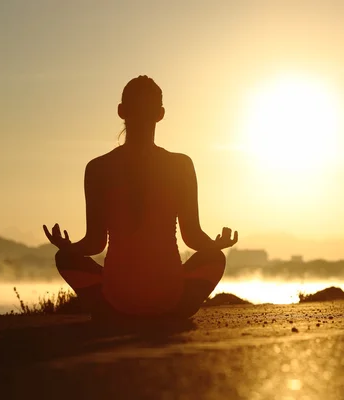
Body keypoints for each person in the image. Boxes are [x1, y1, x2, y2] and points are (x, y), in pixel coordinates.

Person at [43, 75, 238, 319]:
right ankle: (172, 312)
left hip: (118, 297)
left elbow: (95, 244)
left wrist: (67, 248)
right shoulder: (180, 165)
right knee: (214, 259)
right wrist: (215, 245)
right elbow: (193, 238)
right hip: (170, 295)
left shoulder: (98, 168)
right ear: (160, 113)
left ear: (121, 111)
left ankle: (112, 312)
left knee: (65, 259)